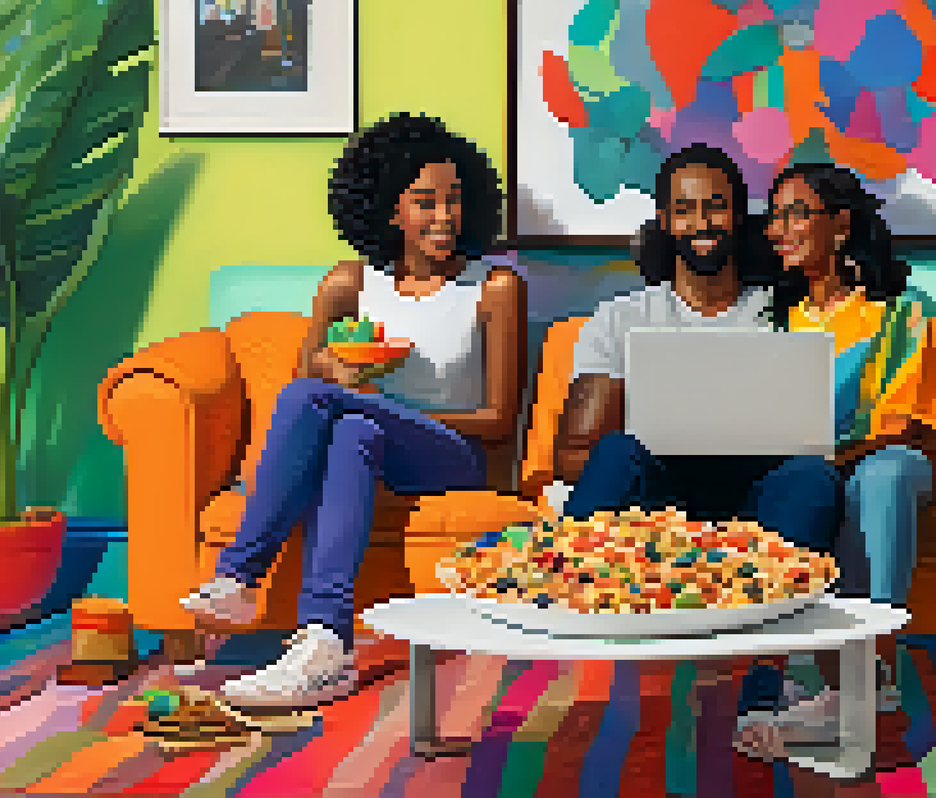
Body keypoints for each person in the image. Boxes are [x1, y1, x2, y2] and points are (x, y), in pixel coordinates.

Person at [179, 112, 527, 713]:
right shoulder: (350, 283)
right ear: (389, 210)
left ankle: (239, 575)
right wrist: (337, 374)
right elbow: (309, 382)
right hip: (371, 443)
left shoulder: (493, 287)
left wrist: (356, 397)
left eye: (453, 200)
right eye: (425, 202)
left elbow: (499, 421)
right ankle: (325, 642)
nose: (444, 216)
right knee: (352, 431)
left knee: (329, 406)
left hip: (457, 456)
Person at [734, 163, 936, 756]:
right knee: (793, 484)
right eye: (774, 216)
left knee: (882, 475)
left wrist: (835, 457)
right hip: (802, 466)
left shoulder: (903, 312)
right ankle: (783, 675)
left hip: (886, 460)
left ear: (842, 224)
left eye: (795, 213)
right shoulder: (773, 320)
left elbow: (908, 427)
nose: (778, 229)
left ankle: (871, 675)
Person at [557, 144, 843, 552]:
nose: (702, 223)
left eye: (716, 207)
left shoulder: (790, 313)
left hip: (758, 494)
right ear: (664, 220)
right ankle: (568, 581)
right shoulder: (621, 318)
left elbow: (820, 437)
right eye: (684, 210)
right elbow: (571, 457)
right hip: (657, 497)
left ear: (739, 214)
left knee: (814, 477)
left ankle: (771, 589)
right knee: (617, 452)